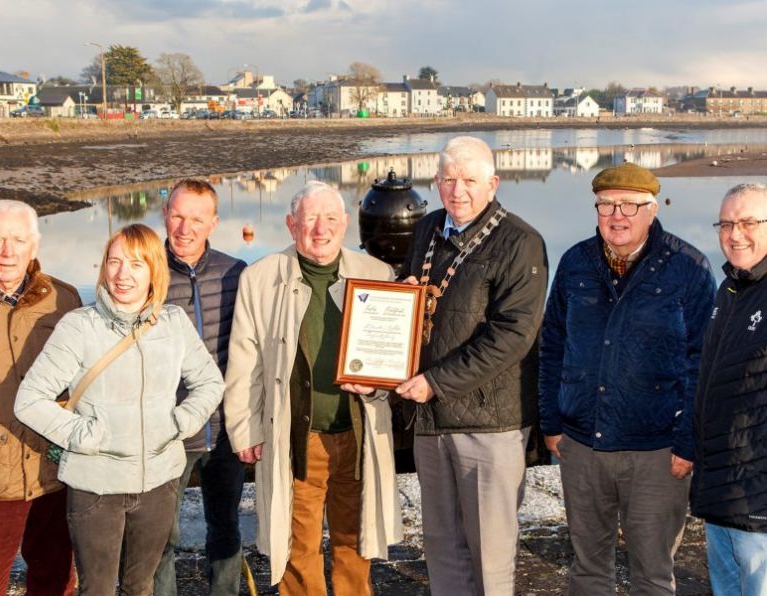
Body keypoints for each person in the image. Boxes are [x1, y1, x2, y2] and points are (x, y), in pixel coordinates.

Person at [14, 223, 224, 595]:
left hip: (158, 483)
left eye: (136, 264)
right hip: (96, 487)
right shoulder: (80, 327)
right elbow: (30, 399)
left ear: (153, 272)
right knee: (96, 588)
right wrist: (82, 434)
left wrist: (181, 421)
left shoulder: (173, 324)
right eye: (114, 262)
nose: (122, 274)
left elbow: (209, 382)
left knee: (140, 586)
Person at [538, 162, 716, 595]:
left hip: (656, 451)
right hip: (583, 446)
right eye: (606, 205)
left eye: (630, 206)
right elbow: (552, 345)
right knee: (587, 570)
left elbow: (701, 362)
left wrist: (687, 443)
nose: (617, 215)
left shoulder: (687, 268)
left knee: (653, 573)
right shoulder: (575, 262)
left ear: (652, 210)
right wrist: (550, 422)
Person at [223, 180, 402, 594]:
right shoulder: (260, 279)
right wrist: (245, 429)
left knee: (354, 541)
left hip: (358, 435)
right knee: (295, 544)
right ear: (291, 225)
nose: (320, 230)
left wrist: (379, 382)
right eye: (309, 220)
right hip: (297, 437)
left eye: (331, 220)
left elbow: (392, 357)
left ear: (345, 224)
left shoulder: (377, 274)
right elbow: (244, 362)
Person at [397, 136, 548, 596]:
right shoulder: (426, 230)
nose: (457, 190)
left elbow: (512, 336)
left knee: (489, 554)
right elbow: (418, 304)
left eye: (469, 180)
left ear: (493, 184)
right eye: (447, 179)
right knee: (442, 547)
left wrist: (435, 382)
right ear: (435, 181)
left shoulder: (520, 242)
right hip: (431, 418)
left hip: (489, 423)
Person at [0, 199, 80, 595]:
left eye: (19, 240)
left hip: (50, 473)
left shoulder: (63, 301)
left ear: (34, 247)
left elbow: (81, 384)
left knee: (55, 581)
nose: (7, 251)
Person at [154, 179, 247, 596]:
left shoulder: (235, 273)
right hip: (166, 430)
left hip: (225, 427)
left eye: (196, 218)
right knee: (160, 534)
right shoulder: (144, 271)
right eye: (177, 216)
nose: (185, 227)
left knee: (225, 527)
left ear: (213, 222)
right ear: (165, 216)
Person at [692, 183, 767, 595]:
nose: (735, 234)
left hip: (758, 497)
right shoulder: (731, 289)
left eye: (749, 222)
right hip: (722, 491)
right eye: (726, 224)